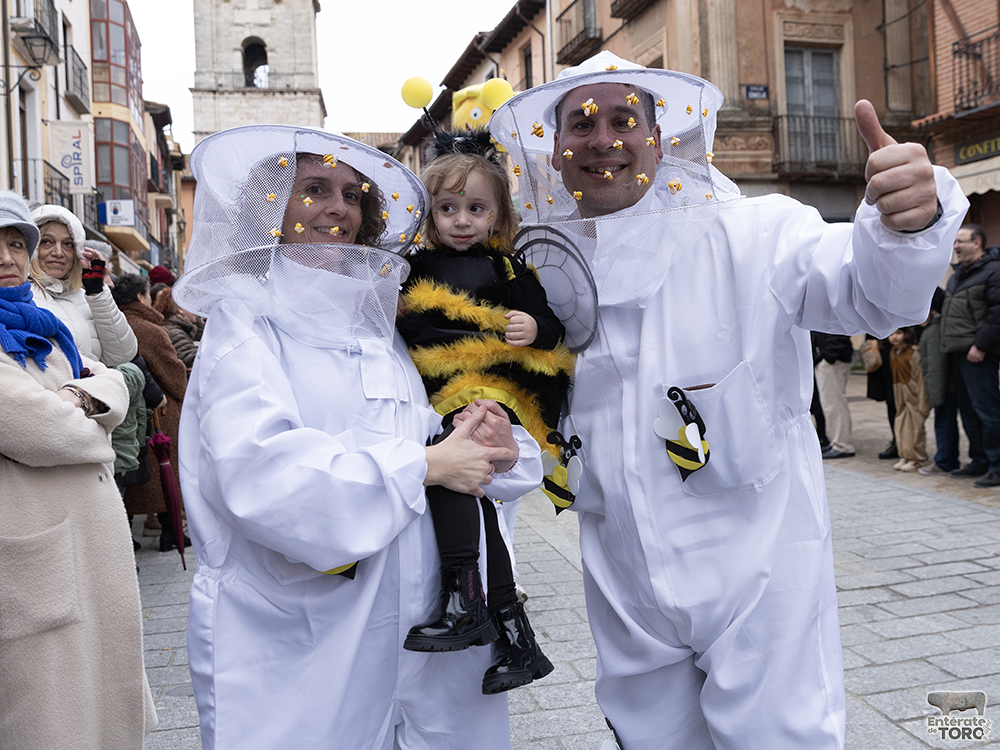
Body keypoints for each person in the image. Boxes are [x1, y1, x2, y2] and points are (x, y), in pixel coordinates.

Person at [488, 50, 968, 749]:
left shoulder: (758, 232)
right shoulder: (544, 273)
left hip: (758, 574)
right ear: (553, 151)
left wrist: (904, 225)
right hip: (624, 581)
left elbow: (868, 294)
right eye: (580, 123)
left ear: (663, 138)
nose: (603, 140)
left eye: (625, 118)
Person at [173, 126, 541, 750]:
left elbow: (429, 433)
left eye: (351, 193)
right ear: (270, 208)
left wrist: (494, 441)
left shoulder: (380, 325)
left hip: (425, 638)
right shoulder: (246, 325)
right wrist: (423, 467)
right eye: (313, 189)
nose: (337, 208)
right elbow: (260, 474)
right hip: (306, 640)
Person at [397, 138, 568, 692]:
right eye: (448, 209)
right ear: (429, 214)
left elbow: (552, 323)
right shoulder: (412, 267)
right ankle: (513, 634)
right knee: (473, 500)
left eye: (476, 209)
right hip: (436, 390)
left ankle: (464, 597)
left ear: (498, 214)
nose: (462, 221)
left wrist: (533, 327)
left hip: (490, 392)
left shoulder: (509, 267)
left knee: (453, 476)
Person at [0, 191, 156, 748]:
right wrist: (91, 414)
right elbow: (40, 430)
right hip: (33, 548)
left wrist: (78, 395)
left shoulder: (42, 324)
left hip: (82, 542)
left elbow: (113, 375)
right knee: (47, 709)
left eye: (17, 243)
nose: (8, 257)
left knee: (93, 695)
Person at [113, 273, 190, 550]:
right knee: (163, 471)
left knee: (133, 477)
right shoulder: (149, 329)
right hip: (160, 411)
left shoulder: (114, 324)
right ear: (140, 297)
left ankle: (128, 537)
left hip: (127, 410)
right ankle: (171, 533)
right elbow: (173, 371)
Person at [28, 204, 137, 367]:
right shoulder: (20, 295)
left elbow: (122, 354)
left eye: (68, 244)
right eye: (46, 242)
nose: (58, 252)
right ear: (32, 247)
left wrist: (98, 295)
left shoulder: (85, 298)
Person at [940, 225, 1000, 488]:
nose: (955, 246)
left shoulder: (993, 271)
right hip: (957, 353)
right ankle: (979, 459)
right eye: (954, 242)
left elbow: (997, 314)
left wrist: (981, 345)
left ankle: (997, 464)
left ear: (978, 243)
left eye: (960, 241)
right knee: (968, 411)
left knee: (988, 412)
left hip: (978, 354)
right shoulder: (956, 276)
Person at [888, 327, 930, 471]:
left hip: (913, 392)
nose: (894, 337)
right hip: (899, 391)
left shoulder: (913, 352)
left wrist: (921, 399)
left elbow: (919, 378)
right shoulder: (893, 352)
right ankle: (904, 455)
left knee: (915, 426)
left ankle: (917, 457)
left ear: (906, 334)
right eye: (892, 333)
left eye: (898, 333)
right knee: (901, 424)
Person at [813, 333, 856, 459]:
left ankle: (842, 445)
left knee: (834, 403)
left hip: (833, 360)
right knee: (830, 404)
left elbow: (840, 332)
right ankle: (836, 443)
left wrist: (827, 357)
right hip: (829, 358)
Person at [153, 286, 201, 368]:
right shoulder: (174, 331)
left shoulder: (175, 326)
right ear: (179, 308)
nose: (196, 308)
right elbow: (191, 358)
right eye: (191, 303)